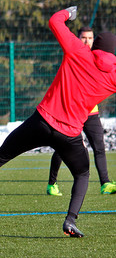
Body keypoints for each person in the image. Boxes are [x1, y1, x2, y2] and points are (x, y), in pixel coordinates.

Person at [0, 6, 116, 238]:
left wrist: (69, 13)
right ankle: (70, 220)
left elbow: (55, 22)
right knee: (82, 175)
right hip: (70, 133)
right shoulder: (113, 77)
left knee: (1, 155)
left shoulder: (78, 50)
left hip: (42, 121)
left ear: (94, 45)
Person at [47, 27, 116, 196]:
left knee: (99, 146)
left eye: (90, 38)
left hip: (91, 112)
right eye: (83, 37)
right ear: (78, 38)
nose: (87, 41)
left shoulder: (102, 59)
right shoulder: (75, 54)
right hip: (72, 113)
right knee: (62, 149)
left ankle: (105, 183)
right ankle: (52, 183)